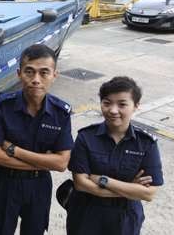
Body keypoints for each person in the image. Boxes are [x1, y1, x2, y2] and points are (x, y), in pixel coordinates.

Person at [0, 44, 74, 235]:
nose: (36, 80)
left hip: (39, 186)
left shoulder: (61, 113)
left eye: (44, 73)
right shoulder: (2, 106)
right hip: (4, 184)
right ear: (19, 73)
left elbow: (61, 163)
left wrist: (14, 150)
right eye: (29, 72)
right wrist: (44, 161)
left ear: (54, 75)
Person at [67, 76, 164, 235]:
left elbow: (149, 193)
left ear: (136, 106)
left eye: (122, 104)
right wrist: (131, 189)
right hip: (86, 215)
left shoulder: (146, 143)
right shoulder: (86, 137)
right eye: (107, 103)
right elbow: (81, 184)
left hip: (125, 218)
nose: (113, 110)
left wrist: (103, 180)